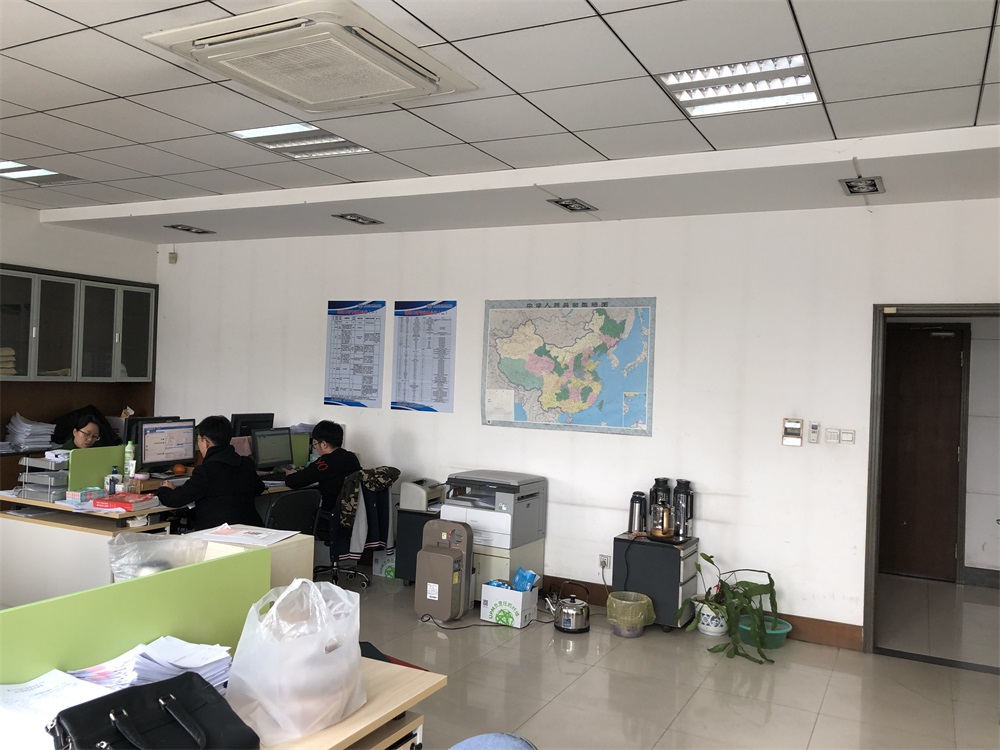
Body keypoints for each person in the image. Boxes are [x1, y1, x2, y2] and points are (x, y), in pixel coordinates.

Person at [155, 415, 264, 531]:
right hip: (252, 532)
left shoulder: (206, 471)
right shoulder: (246, 463)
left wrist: (165, 489)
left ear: (206, 442)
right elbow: (259, 488)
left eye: (198, 440)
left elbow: (174, 500)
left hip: (219, 535)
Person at [284, 420, 360, 511]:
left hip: (330, 513)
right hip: (350, 513)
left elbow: (294, 482)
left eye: (315, 444)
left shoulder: (326, 461)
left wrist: (290, 475)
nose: (315, 447)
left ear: (324, 444)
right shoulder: (351, 457)